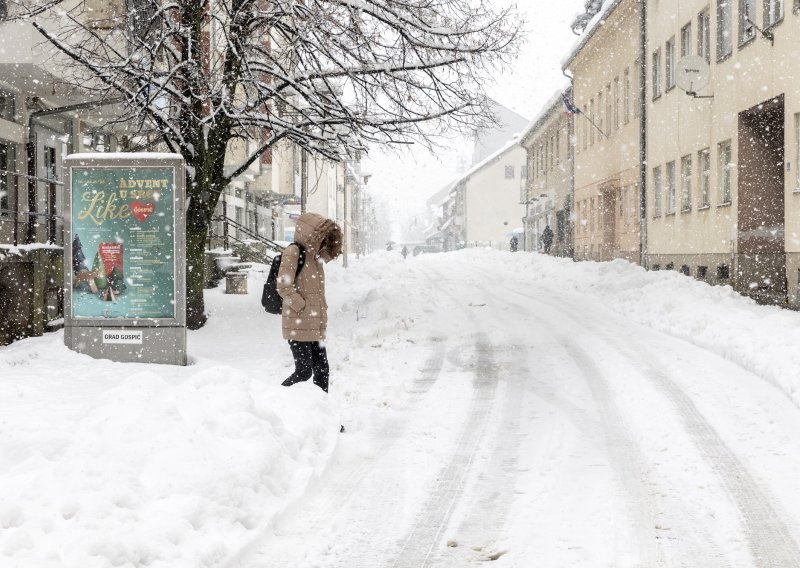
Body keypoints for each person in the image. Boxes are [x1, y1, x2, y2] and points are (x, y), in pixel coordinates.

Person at [277, 212, 343, 393]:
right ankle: (277, 399)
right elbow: (283, 286)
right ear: (310, 234)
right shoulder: (294, 251)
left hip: (314, 324)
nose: (323, 240)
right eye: (320, 236)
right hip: (298, 323)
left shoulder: (316, 258)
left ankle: (322, 414)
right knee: (304, 372)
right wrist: (302, 307)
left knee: (322, 371)